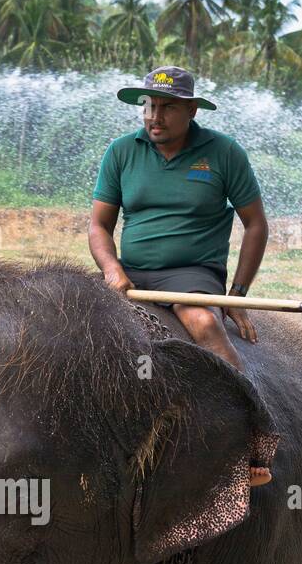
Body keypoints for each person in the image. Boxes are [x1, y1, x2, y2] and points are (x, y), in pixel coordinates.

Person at [89, 65, 271, 485]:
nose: (154, 116)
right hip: (130, 273)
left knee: (203, 321)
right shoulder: (121, 151)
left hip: (192, 272)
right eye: (149, 106)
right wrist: (112, 268)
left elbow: (256, 224)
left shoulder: (223, 153)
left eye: (167, 108)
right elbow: (99, 225)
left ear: (191, 111)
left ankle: (250, 438)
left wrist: (237, 294)